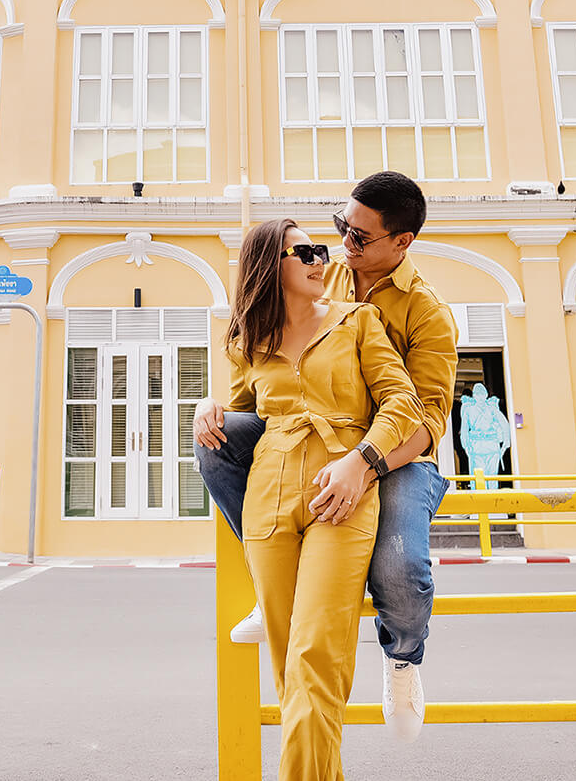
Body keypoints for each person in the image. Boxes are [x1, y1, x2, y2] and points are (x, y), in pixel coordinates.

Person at [195, 170, 459, 742]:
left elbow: (426, 421)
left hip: (399, 455)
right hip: (311, 442)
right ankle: (276, 578)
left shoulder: (428, 313)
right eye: (342, 227)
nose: (342, 245)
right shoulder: (322, 272)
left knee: (399, 567)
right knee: (220, 440)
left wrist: (363, 464)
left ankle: (404, 658)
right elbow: (261, 373)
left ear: (401, 242)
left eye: (359, 236)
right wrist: (210, 405)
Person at [220, 217, 423, 781]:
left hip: (344, 493)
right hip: (268, 494)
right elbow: (241, 417)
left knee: (317, 658)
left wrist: (362, 463)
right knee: (291, 673)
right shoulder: (249, 342)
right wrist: (205, 411)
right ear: (271, 265)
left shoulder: (358, 321)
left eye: (319, 249)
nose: (320, 259)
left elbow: (402, 403)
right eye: (303, 251)